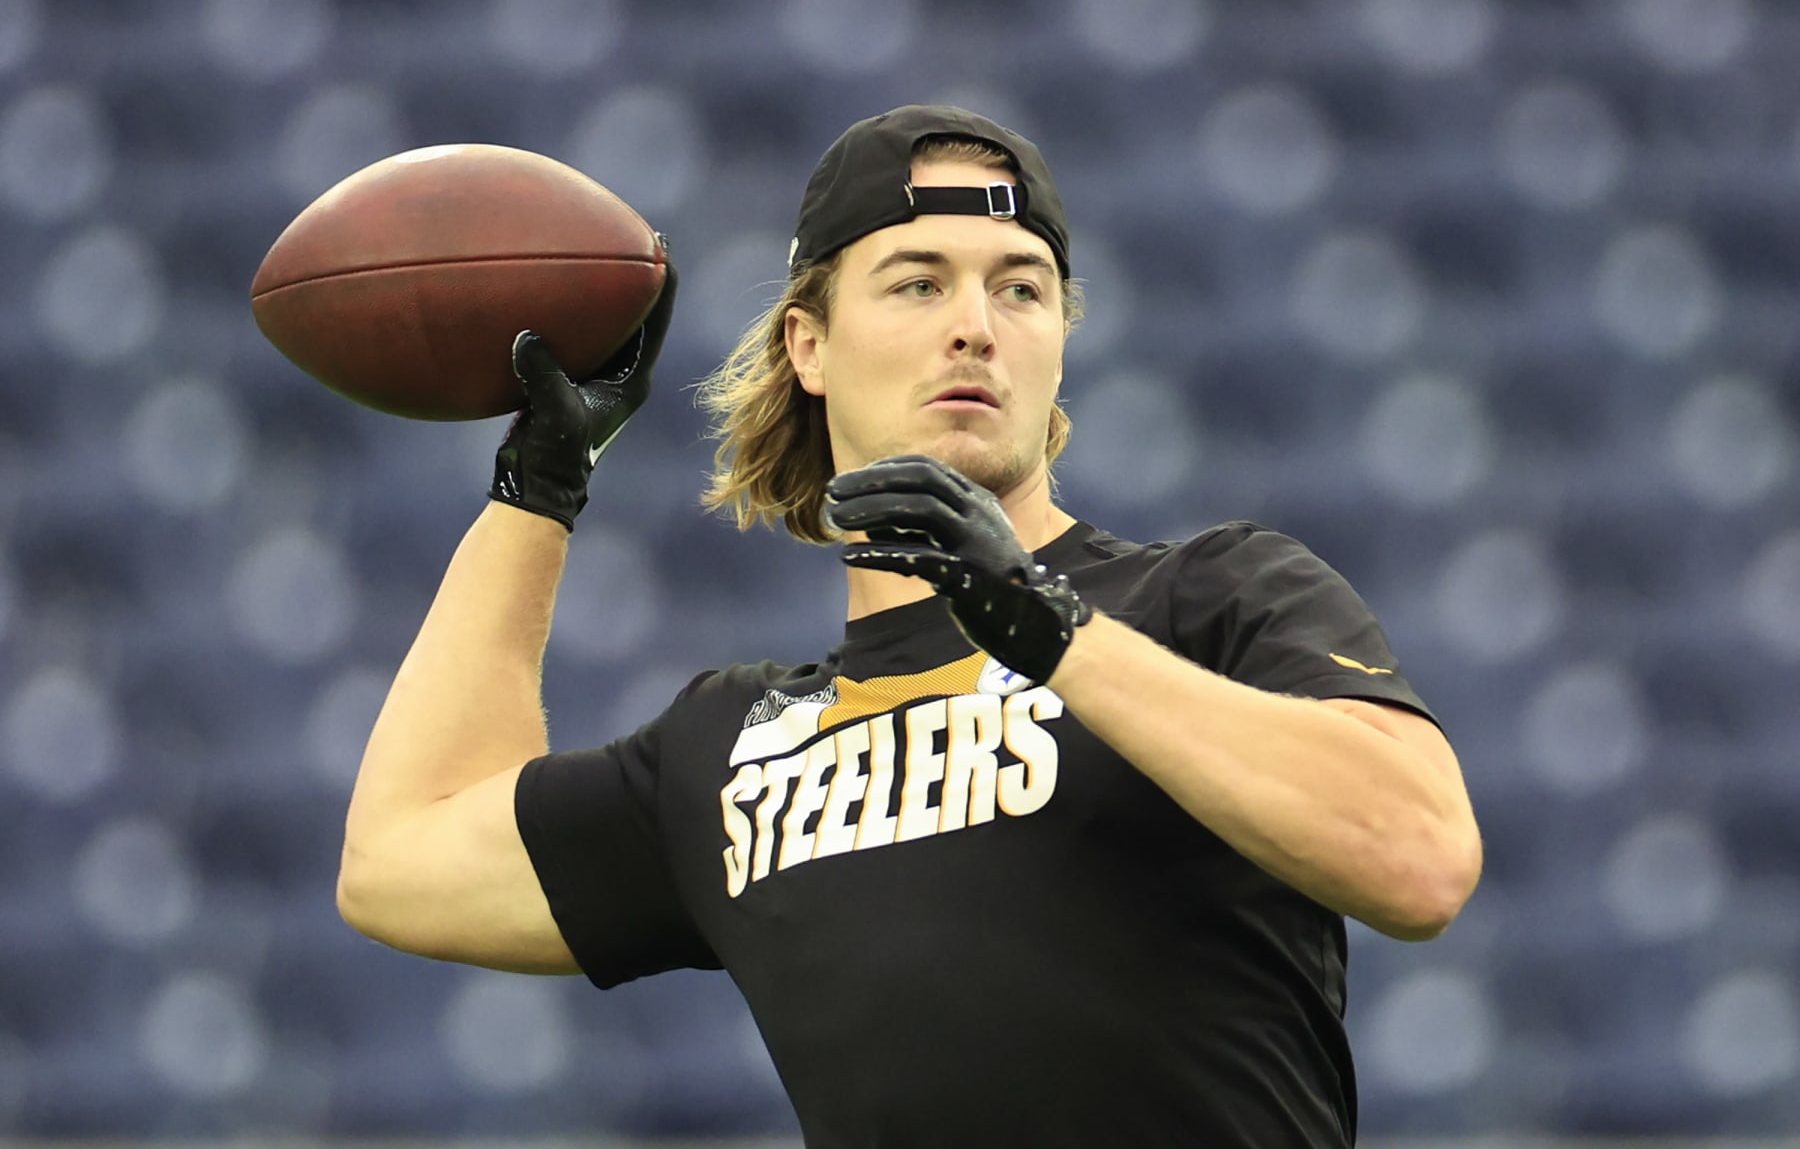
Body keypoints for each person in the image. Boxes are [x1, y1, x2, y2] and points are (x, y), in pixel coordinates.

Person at [335, 105, 1483, 1147]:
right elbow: (398, 860)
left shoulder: (1214, 598)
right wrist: (539, 491)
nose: (977, 326)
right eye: (919, 283)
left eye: (1021, 287)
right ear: (809, 347)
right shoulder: (735, 751)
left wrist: (1052, 630)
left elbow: (1421, 858)